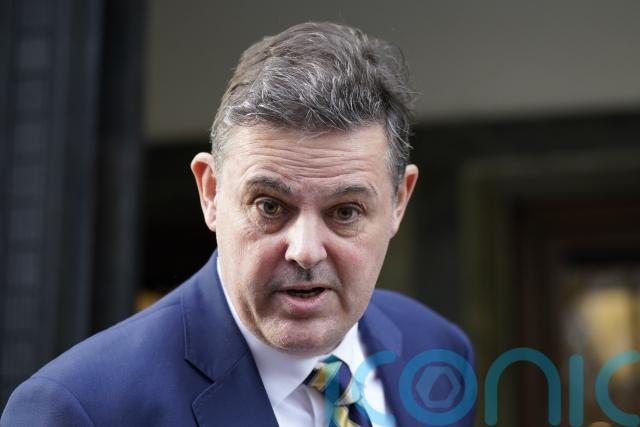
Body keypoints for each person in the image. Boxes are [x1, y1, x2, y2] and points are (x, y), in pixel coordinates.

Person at [2, 22, 475, 426]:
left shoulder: (437, 349)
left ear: (398, 202)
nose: (305, 250)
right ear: (210, 192)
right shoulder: (78, 409)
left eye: (345, 212)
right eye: (270, 206)